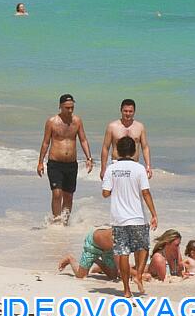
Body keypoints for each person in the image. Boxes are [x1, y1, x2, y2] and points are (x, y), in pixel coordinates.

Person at [102, 136, 158, 297]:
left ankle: (126, 290)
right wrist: (154, 214)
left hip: (118, 219)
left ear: (117, 150)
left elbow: (105, 193)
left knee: (123, 253)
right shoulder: (139, 168)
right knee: (143, 248)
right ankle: (139, 274)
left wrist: (116, 188)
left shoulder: (111, 169)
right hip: (137, 217)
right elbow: (145, 192)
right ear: (134, 151)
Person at [37, 94, 93, 224]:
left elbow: (83, 140)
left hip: (71, 164)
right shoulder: (52, 122)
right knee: (57, 194)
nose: (70, 110)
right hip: (55, 163)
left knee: (68, 195)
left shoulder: (77, 121)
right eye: (67, 108)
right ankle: (57, 221)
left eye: (72, 107)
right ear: (60, 106)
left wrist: (89, 158)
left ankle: (65, 222)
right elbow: (46, 142)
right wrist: (40, 162)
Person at [100, 99, 152, 181]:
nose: (128, 114)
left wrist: (148, 166)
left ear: (134, 112)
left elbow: (145, 147)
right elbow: (105, 148)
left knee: (134, 192)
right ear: (121, 110)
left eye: (130, 111)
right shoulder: (112, 126)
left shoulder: (140, 127)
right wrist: (103, 168)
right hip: (116, 164)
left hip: (134, 164)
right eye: (125, 111)